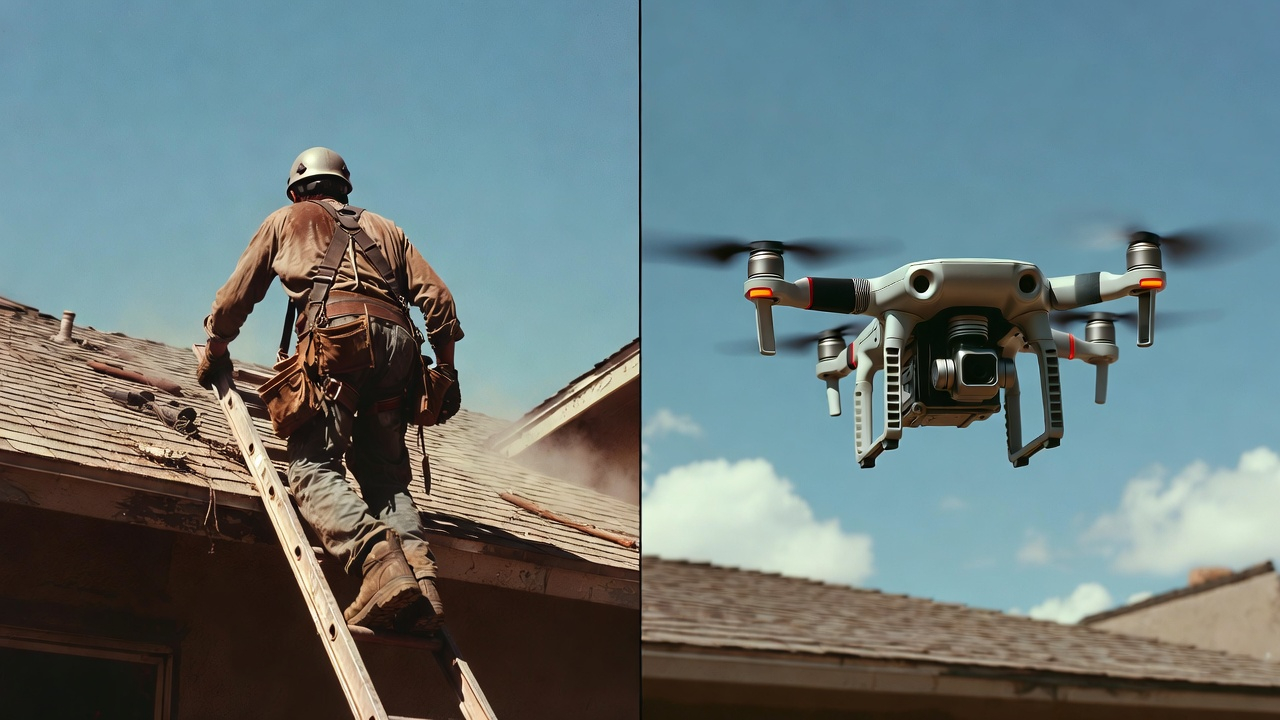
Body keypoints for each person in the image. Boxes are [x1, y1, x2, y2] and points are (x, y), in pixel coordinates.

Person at [196, 147, 463, 634]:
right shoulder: (388, 229)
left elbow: (237, 297)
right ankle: (422, 580)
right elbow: (439, 300)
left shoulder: (286, 219)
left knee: (312, 466)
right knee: (385, 477)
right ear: (344, 187)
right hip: (399, 348)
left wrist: (216, 347)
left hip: (339, 340)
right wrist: (445, 372)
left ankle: (378, 563)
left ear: (298, 189)